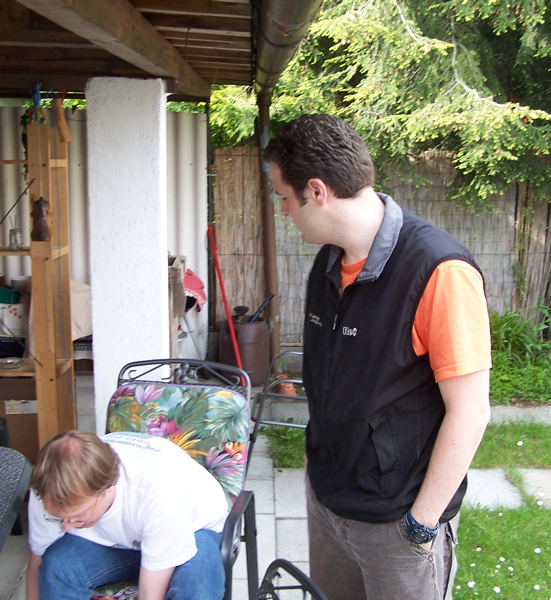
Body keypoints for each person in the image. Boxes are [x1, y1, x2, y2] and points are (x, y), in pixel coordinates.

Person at [262, 114, 492, 600]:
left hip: (397, 523)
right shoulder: (328, 262)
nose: (282, 210)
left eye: (283, 197)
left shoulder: (439, 270)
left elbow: (471, 411)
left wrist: (421, 524)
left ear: (317, 191)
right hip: (328, 500)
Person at [26, 430, 228, 600]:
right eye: (59, 518)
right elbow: (38, 560)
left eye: (79, 515)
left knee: (197, 587)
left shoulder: (156, 490)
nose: (67, 527)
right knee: (56, 567)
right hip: (123, 539)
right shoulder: (49, 487)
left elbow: (151, 595)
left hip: (193, 530)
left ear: (109, 486)